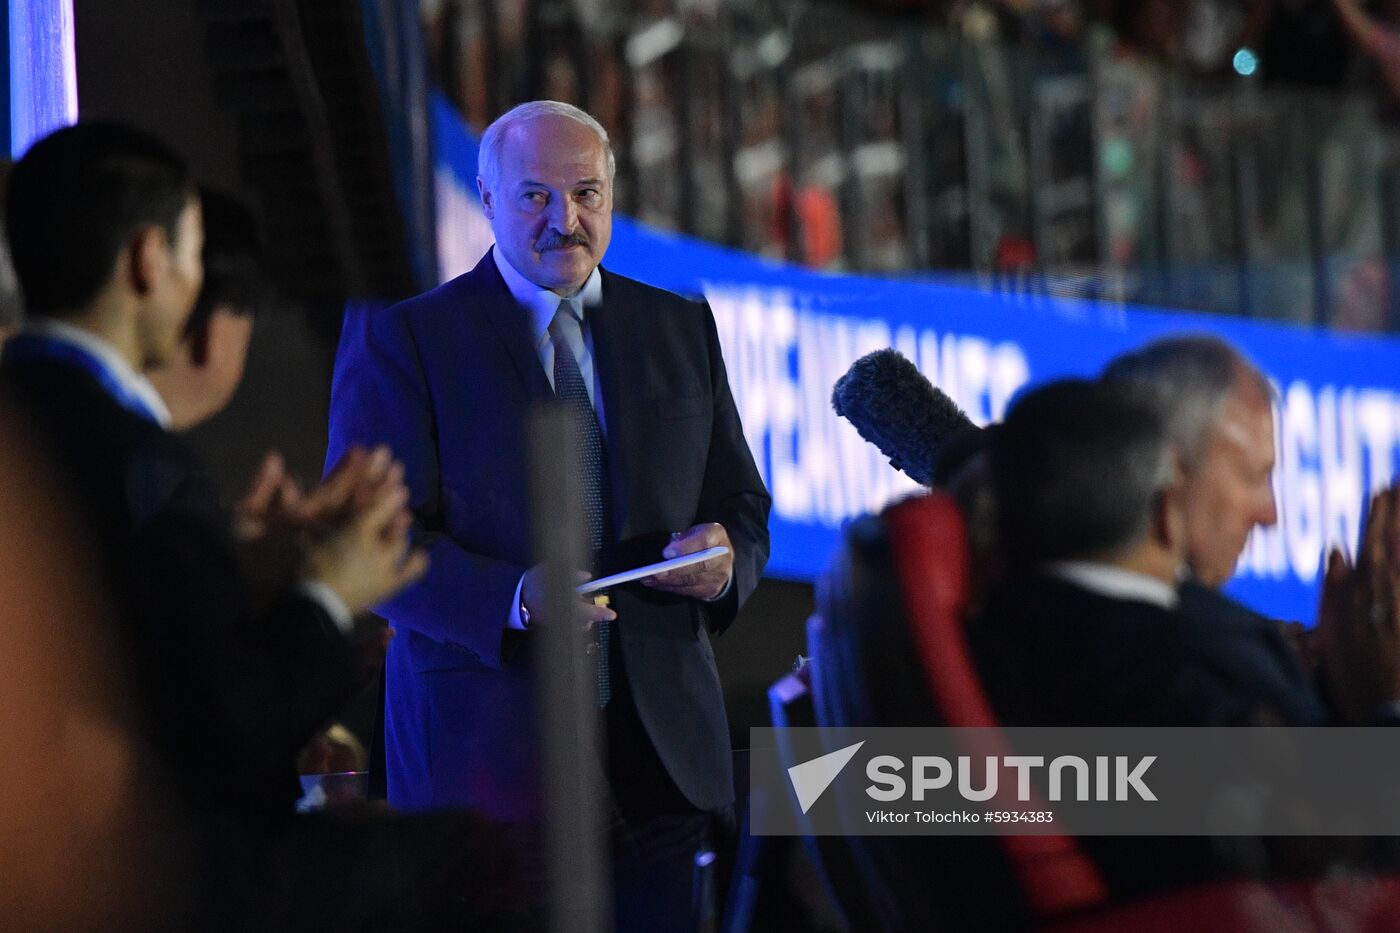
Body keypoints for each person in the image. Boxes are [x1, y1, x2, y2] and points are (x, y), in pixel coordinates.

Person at [326, 99, 771, 926]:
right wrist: (514, 598)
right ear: (488, 199)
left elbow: (742, 505)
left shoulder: (679, 327)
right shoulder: (404, 338)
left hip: (665, 765)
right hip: (486, 770)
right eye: (534, 196)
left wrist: (726, 561)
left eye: (586, 194)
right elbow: (370, 544)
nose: (563, 220)